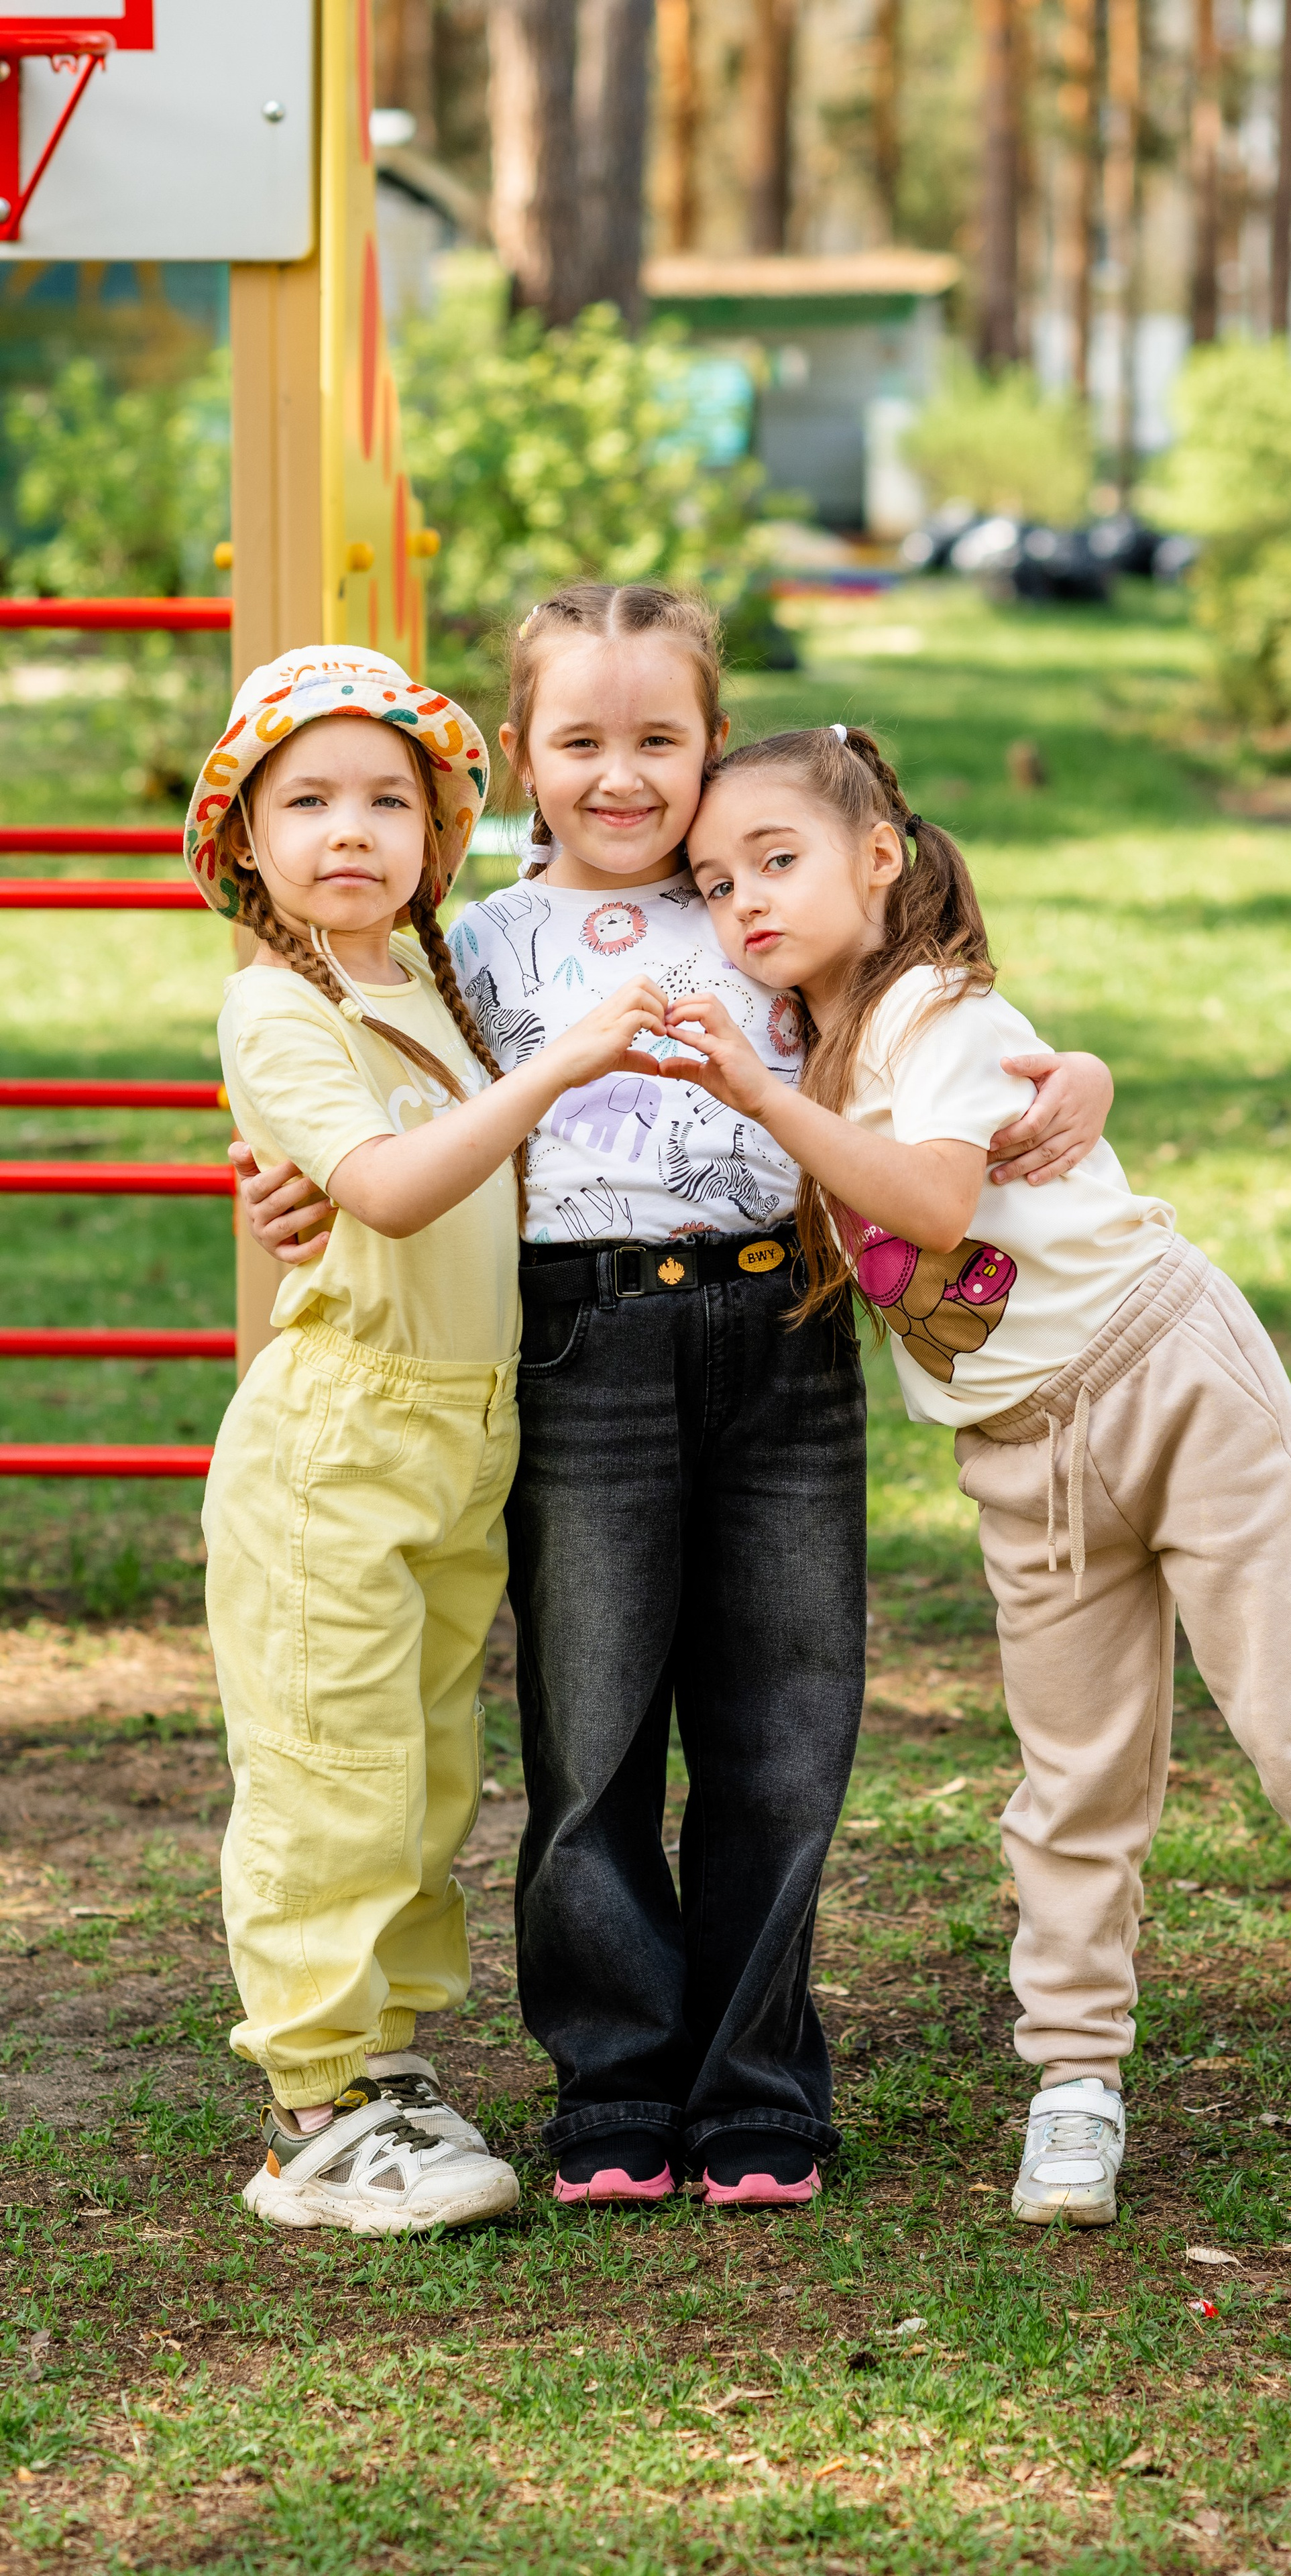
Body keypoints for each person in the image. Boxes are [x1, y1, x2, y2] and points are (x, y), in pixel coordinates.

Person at [233, 585, 1117, 2210]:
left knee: (782, 1724)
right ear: (522, 755)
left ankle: (756, 2083)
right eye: (581, 741)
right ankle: (618, 2080)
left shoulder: (765, 910)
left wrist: (1080, 1074)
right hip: (582, 1350)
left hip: (782, 1328)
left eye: (660, 739)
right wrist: (285, 1185)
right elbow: (374, 1110)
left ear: (714, 746)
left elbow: (940, 1022)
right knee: (593, 1735)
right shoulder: (467, 948)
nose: (621, 776)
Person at [658, 720, 1291, 2227]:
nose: (746, 903)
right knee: (1069, 1784)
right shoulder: (795, 1041)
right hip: (1017, 1450)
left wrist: (771, 1099)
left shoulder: (930, 1008)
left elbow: (935, 1204)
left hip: (1169, 1377)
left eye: (777, 861)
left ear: (880, 856)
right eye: (718, 882)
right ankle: (1073, 2078)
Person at [188, 645, 672, 2234]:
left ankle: (384, 2062)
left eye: (388, 801)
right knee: (329, 1766)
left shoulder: (429, 979)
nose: (350, 830)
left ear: (441, 832)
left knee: (421, 1772)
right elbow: (392, 1189)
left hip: (467, 1431)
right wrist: (563, 1065)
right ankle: (313, 2108)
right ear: (242, 839)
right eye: (306, 801)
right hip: (342, 1437)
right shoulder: (276, 1002)